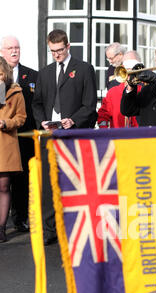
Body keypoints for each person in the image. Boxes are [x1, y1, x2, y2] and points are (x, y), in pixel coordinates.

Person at [32, 29, 98, 245]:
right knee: (49, 184)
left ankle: (74, 229)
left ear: (68, 46)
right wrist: (42, 121)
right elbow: (38, 103)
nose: (56, 55)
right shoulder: (45, 72)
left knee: (73, 182)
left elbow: (89, 104)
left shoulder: (84, 69)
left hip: (73, 134)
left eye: (60, 50)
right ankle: (49, 230)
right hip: (49, 134)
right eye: (52, 51)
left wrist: (74, 120)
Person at [0, 35, 38, 232]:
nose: (14, 51)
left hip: (23, 135)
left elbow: (35, 107)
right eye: (10, 48)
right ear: (2, 52)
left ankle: (20, 218)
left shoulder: (32, 76)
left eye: (17, 47)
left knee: (21, 181)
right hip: (3, 139)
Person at [0, 57, 26, 243]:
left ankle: (1, 228)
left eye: (0, 74)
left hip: (6, 143)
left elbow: (21, 117)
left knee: (3, 186)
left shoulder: (16, 92)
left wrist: (6, 123)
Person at [97, 50, 142, 128]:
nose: (130, 73)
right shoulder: (113, 92)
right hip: (117, 137)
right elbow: (103, 115)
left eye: (133, 69)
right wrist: (104, 130)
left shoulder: (146, 90)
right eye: (127, 69)